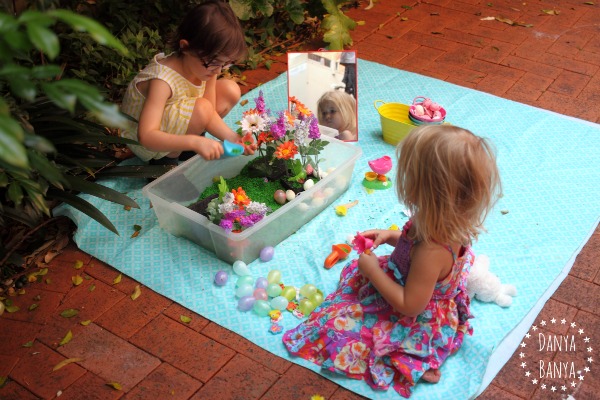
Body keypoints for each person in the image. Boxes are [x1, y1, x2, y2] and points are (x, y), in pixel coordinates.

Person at [282, 125, 502, 398]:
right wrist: (391, 237)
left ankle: (416, 361)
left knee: (340, 332)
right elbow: (414, 246)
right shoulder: (443, 218)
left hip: (415, 313)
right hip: (414, 282)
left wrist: (373, 271)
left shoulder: (431, 250)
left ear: (429, 190)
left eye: (410, 174)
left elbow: (410, 305)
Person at [120, 0, 250, 166]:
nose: (218, 71)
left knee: (230, 89)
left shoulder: (206, 66)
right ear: (185, 47)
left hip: (178, 118)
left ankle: (188, 146)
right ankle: (167, 161)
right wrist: (193, 142)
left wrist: (234, 138)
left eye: (226, 64)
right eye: (214, 63)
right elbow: (146, 136)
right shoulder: (162, 81)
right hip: (150, 142)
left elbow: (209, 111)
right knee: (201, 108)